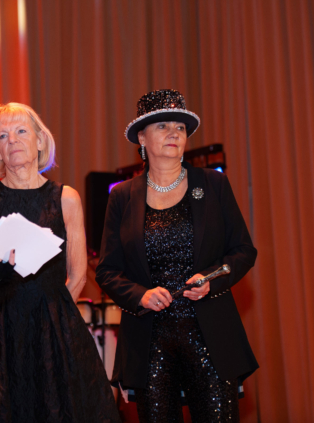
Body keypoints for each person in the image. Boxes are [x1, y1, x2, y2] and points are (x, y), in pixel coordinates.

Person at [95, 89, 258, 422]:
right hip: (149, 340)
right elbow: (107, 270)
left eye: (180, 127)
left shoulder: (213, 184)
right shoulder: (122, 197)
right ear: (141, 137)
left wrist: (211, 280)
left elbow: (243, 250)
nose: (174, 133)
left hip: (210, 335)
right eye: (163, 126)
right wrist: (140, 295)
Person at [0, 103, 121, 423]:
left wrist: (52, 318)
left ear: (39, 140)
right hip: (0, 332)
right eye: (2, 136)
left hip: (55, 329)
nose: (12, 140)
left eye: (21, 131)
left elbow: (78, 274)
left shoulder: (66, 198)